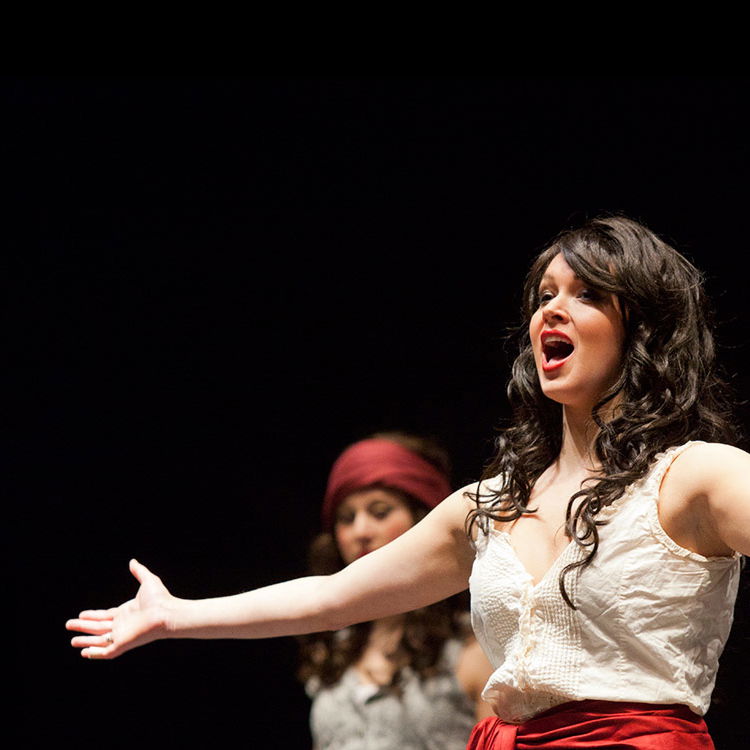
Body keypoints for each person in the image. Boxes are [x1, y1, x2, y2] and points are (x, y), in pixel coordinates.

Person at [67, 215, 750, 749]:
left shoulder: (695, 478)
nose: (551, 311)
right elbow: (332, 598)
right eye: (544, 296)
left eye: (587, 295)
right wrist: (178, 614)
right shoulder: (490, 506)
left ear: (645, 330)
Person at [298, 431, 494, 749]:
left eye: (380, 512)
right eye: (346, 518)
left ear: (421, 522)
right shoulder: (334, 650)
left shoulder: (474, 648)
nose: (360, 531)